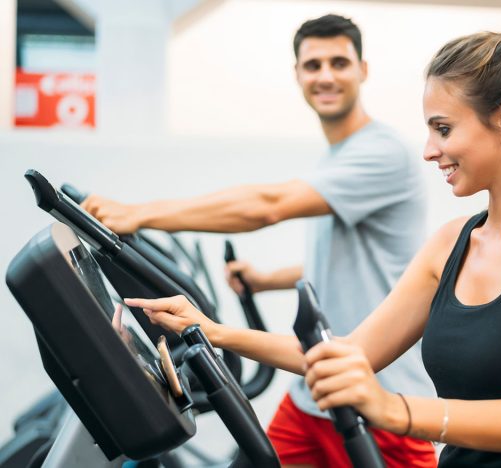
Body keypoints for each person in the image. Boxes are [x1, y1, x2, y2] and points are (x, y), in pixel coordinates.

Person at [125, 30, 501, 467]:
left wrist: (393, 410)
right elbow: (349, 354)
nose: (430, 150)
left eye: (443, 129)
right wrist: (212, 331)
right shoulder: (450, 244)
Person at [83, 14, 437, 468]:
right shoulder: (340, 155)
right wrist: (267, 279)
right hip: (314, 394)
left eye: (339, 63)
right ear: (297, 75)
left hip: (379, 397)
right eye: (313, 65)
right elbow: (362, 261)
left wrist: (140, 213)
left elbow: (267, 205)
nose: (325, 75)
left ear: (362, 70)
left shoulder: (383, 152)